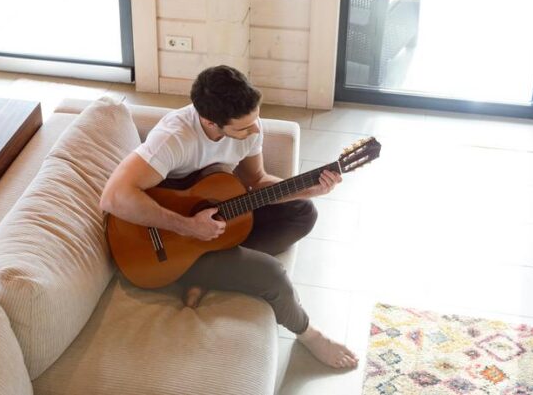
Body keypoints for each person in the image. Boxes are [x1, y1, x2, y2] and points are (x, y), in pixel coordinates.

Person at [99, 65, 359, 369]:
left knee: (302, 213)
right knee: (272, 275)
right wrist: (188, 226)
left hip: (208, 229)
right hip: (162, 252)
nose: (256, 131)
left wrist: (309, 189)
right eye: (244, 128)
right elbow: (113, 196)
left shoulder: (251, 126)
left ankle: (217, 273)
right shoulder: (174, 138)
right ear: (210, 122)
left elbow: (257, 182)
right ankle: (309, 334)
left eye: (255, 120)